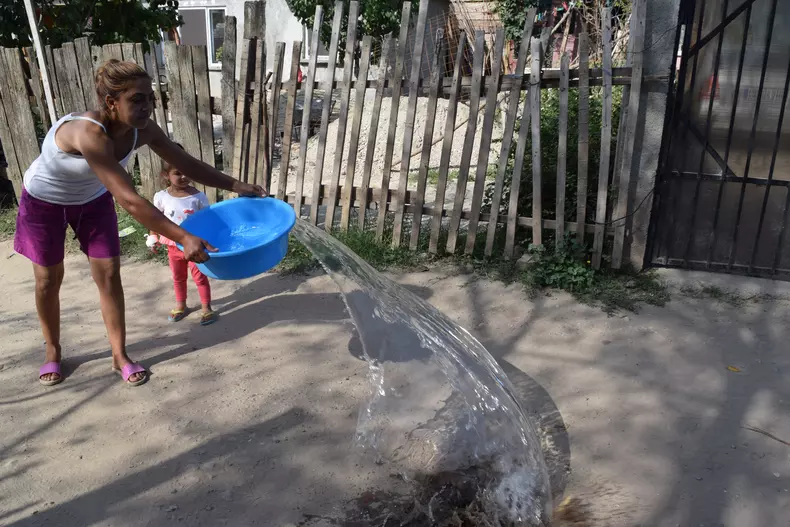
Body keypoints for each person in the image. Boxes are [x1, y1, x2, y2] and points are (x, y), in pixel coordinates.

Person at [14, 59, 266, 387]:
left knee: (108, 274)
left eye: (150, 98)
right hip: (44, 201)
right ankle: (52, 348)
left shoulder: (143, 130)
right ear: (111, 102)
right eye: (136, 99)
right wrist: (183, 237)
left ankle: (119, 354)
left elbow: (187, 163)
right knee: (48, 279)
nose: (147, 106)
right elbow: (130, 200)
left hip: (92, 200)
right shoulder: (89, 133)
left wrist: (236, 185)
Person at [148, 147, 217, 326]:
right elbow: (155, 220)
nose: (184, 176)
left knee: (200, 277)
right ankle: (181, 305)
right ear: (166, 175)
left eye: (187, 172)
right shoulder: (161, 197)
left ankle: (206, 307)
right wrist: (153, 237)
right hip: (173, 247)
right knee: (178, 277)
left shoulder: (198, 197)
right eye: (178, 173)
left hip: (194, 247)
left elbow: (207, 220)